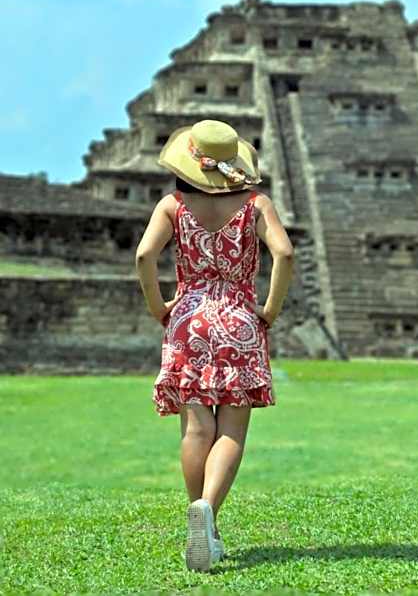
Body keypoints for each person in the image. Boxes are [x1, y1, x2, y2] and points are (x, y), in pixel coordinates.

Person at [135, 119, 295, 572]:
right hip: (239, 318)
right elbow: (284, 253)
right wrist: (269, 309)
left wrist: (158, 306)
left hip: (188, 319)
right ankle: (207, 510)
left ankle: (202, 517)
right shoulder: (255, 204)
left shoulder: (173, 205)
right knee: (231, 431)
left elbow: (145, 255)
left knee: (196, 430)